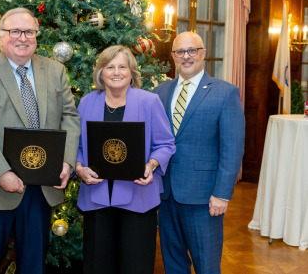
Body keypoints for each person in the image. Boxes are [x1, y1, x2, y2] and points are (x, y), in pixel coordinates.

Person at [0, 8, 81, 274]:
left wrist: (67, 161)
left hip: (41, 190)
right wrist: (1, 172)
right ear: (1, 37)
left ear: (37, 36)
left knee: (33, 266)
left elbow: (70, 117)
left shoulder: (55, 70)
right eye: (15, 31)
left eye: (29, 32)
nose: (23, 38)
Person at [75, 45, 176, 274]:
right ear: (101, 72)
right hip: (96, 198)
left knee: (136, 265)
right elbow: (77, 146)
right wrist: (79, 167)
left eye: (122, 66)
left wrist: (151, 165)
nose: (116, 72)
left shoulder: (149, 102)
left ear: (132, 71)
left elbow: (166, 144)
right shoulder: (87, 102)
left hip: (138, 198)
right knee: (97, 265)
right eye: (110, 67)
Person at [152, 32, 245, 273]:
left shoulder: (225, 93)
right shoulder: (159, 93)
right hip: (165, 193)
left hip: (204, 198)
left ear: (203, 53)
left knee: (207, 265)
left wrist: (222, 194)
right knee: (173, 263)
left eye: (192, 50)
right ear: (173, 56)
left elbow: (232, 148)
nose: (186, 56)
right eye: (180, 52)